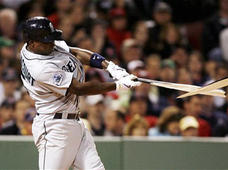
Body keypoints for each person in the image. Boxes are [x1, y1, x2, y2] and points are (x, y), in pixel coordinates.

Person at [20, 17, 141, 170]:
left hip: (74, 124)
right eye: (46, 41)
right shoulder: (39, 68)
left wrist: (110, 67)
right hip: (54, 128)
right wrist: (117, 85)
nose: (52, 43)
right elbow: (79, 88)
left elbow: (76, 53)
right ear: (32, 43)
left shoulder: (39, 46)